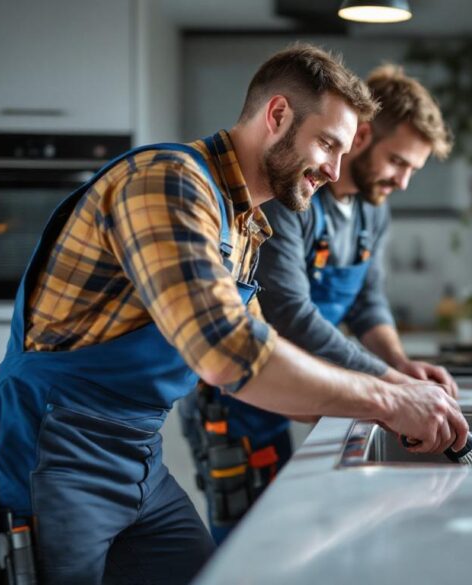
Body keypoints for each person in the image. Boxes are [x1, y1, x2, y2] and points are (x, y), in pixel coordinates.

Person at [0, 43, 468, 585]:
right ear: (278, 116)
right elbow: (227, 356)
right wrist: (388, 395)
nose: (336, 172)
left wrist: (382, 418)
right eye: (327, 144)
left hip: (136, 455)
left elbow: (267, 349)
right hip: (49, 452)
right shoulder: (169, 182)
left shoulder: (244, 224)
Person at [181, 64, 457, 544]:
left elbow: (368, 301)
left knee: (289, 533)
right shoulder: (289, 196)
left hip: (306, 377)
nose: (403, 181)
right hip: (242, 395)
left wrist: (399, 364)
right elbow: (289, 315)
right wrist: (391, 386)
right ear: (365, 136)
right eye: (398, 162)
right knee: (250, 540)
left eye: (413, 169)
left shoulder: (373, 209)